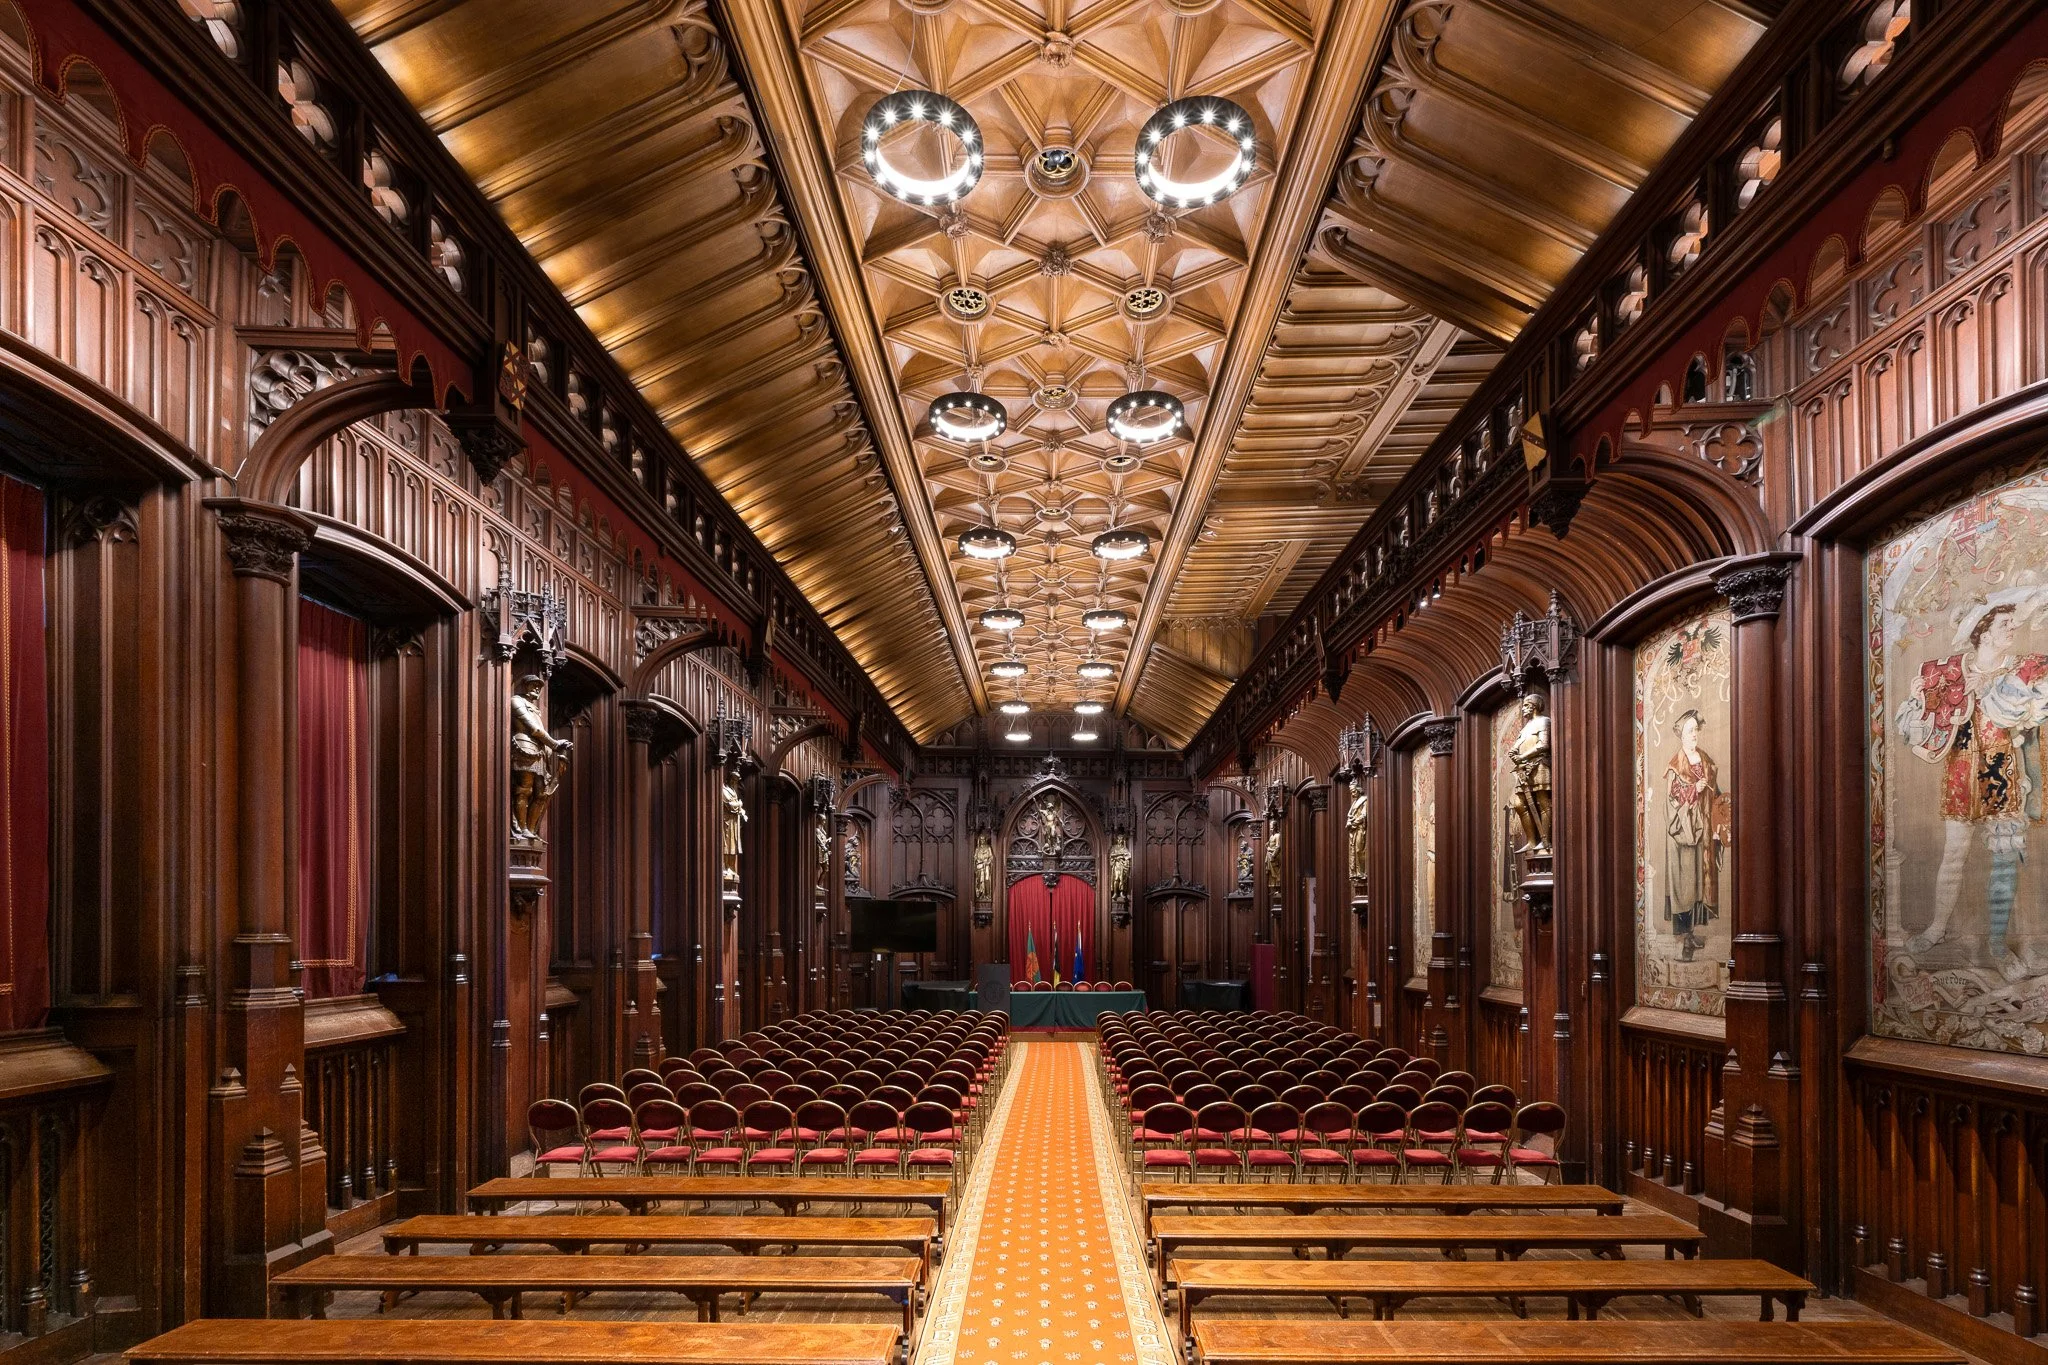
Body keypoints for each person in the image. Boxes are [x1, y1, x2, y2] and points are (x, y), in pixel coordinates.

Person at [1898, 597, 2048, 978]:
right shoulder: (1949, 672)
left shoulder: (2022, 671)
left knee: (2004, 861)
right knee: (1953, 857)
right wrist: (1919, 702)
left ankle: (1998, 945)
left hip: (2004, 774)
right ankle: (1937, 928)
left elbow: (2031, 719)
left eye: (2013, 625)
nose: (2012, 631)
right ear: (1982, 631)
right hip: (1961, 773)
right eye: (2004, 625)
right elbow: (1915, 728)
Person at [1662, 709, 1729, 962]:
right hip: (1683, 835)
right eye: (1690, 731)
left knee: (1699, 884)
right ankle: (1685, 939)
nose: (1694, 735)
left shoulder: (1705, 761)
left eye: (1696, 730)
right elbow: (1671, 805)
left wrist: (1722, 807)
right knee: (1684, 885)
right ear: (1681, 735)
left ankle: (1692, 934)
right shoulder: (1675, 766)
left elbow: (1714, 791)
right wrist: (1693, 790)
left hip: (1702, 832)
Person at [509, 673, 570, 841]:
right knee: (524, 790)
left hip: (541, 752)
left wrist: (553, 749)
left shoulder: (534, 707)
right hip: (524, 747)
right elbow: (533, 728)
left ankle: (530, 829)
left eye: (539, 686)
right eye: (533, 684)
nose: (537, 688)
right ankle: (521, 829)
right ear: (524, 686)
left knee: (542, 793)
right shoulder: (516, 701)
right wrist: (555, 744)